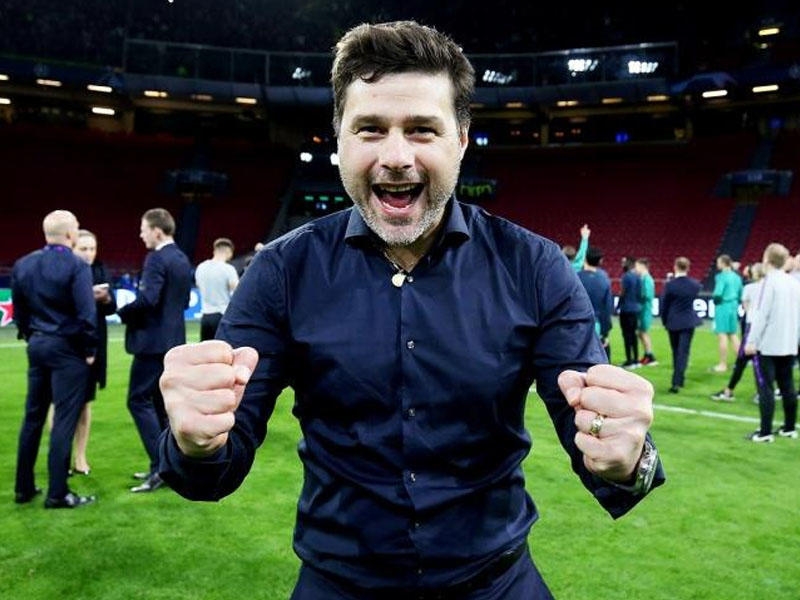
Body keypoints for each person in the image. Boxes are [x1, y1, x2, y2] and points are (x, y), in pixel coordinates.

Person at [156, 21, 664, 599]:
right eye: (370, 129)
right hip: (338, 585)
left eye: (422, 129)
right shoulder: (281, 271)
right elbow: (214, 468)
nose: (396, 157)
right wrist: (195, 441)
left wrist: (627, 455)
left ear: (461, 139)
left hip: (498, 584)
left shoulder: (535, 267)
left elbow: (601, 448)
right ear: (340, 139)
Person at [12, 210, 97, 508]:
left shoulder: (23, 264)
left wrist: (31, 335)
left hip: (37, 344)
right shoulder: (77, 265)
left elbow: (19, 312)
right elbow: (87, 313)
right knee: (64, 418)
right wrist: (90, 350)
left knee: (33, 417)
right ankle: (57, 492)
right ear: (71, 235)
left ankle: (23, 487)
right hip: (68, 349)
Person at [117, 208, 193, 492]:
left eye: (143, 229)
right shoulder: (181, 258)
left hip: (151, 344)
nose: (141, 235)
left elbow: (148, 300)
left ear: (157, 231)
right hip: (173, 342)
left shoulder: (157, 258)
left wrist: (122, 311)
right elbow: (184, 302)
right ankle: (170, 467)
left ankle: (160, 467)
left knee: (138, 400)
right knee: (162, 406)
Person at [70, 229, 117, 474]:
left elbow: (112, 308)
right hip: (68, 344)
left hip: (95, 343)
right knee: (61, 403)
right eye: (83, 248)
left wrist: (106, 299)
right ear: (73, 248)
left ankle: (80, 457)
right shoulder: (64, 271)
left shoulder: (100, 270)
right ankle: (61, 456)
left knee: (85, 403)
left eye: (92, 248)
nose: (89, 253)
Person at [744, 243, 800, 442]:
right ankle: (789, 427)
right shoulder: (794, 282)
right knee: (788, 386)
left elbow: (761, 315)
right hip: (789, 343)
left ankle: (765, 431)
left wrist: (751, 341)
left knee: (765, 387)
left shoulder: (768, 283)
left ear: (767, 259)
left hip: (768, 345)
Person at [711, 262, 764, 402]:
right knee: (752, 360)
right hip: (765, 328)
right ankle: (731, 390)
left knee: (748, 361)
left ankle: (760, 393)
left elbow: (746, 307)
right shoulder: (769, 288)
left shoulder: (750, 288)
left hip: (751, 326)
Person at [660, 257, 702, 393]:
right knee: (683, 352)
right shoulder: (695, 284)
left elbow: (664, 305)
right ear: (688, 268)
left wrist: (664, 321)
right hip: (688, 321)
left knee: (676, 351)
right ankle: (679, 380)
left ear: (675, 267)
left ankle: (676, 381)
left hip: (673, 321)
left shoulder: (670, 285)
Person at [194, 237, 239, 341]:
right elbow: (237, 290)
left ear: (215, 250)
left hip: (205, 316)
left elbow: (198, 285)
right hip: (221, 315)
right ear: (229, 251)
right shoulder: (228, 269)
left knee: (206, 349)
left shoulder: (201, 267)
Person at [577, 246, 613, 360]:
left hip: (577, 324)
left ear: (585, 259)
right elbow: (607, 307)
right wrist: (605, 332)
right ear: (600, 261)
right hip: (596, 324)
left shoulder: (576, 277)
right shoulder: (604, 279)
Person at [711, 254, 743, 373]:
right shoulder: (737, 277)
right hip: (733, 306)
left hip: (723, 306)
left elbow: (718, 293)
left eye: (718, 262)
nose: (717, 264)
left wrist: (716, 301)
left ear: (723, 263)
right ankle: (740, 363)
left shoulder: (722, 277)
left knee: (722, 335)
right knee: (733, 334)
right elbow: (741, 293)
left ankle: (722, 364)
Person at [618, 255, 642, 369]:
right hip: (635, 309)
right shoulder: (638, 277)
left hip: (626, 309)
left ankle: (629, 360)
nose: (622, 264)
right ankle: (636, 359)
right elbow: (639, 293)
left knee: (626, 335)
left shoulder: (626, 277)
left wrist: (618, 306)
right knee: (633, 335)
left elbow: (623, 293)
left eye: (624, 262)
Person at [635, 257, 657, 366]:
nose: (636, 269)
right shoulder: (643, 278)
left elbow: (647, 295)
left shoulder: (647, 279)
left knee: (643, 332)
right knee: (640, 333)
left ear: (642, 266)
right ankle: (647, 355)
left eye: (637, 266)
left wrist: (637, 296)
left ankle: (650, 356)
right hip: (642, 310)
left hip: (645, 310)